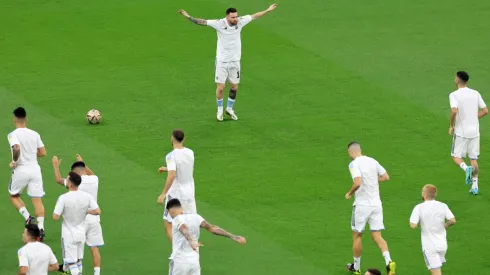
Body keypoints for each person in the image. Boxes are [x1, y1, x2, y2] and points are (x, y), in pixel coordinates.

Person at [178, 4, 278, 121]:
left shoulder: (240, 22)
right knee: (221, 87)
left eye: (236, 16)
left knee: (234, 87)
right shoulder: (219, 23)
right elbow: (202, 22)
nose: (235, 19)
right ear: (227, 17)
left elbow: (254, 16)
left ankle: (229, 109)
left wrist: (267, 10)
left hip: (235, 62)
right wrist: (188, 16)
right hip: (222, 62)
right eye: (233, 17)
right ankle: (220, 109)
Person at [345, 142, 396, 275]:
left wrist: (349, 193)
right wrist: (372, 180)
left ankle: (356, 267)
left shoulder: (354, 163)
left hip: (362, 205)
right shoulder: (372, 161)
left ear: (351, 152)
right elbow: (386, 177)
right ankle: (388, 261)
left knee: (357, 236)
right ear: (360, 149)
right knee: (377, 236)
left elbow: (357, 182)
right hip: (376, 205)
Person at [52, 155, 104, 275]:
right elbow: (90, 173)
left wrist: (55, 166)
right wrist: (82, 162)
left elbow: (58, 179)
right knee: (94, 248)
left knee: (72, 247)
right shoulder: (94, 179)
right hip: (94, 220)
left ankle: (68, 268)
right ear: (84, 169)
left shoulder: (75, 183)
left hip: (79, 220)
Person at [166, 198, 246, 275]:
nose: (171, 216)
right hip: (194, 261)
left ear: (172, 211)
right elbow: (213, 229)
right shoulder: (196, 217)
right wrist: (233, 236)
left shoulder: (176, 219)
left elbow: (183, 228)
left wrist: (192, 242)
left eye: (169, 214)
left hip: (180, 261)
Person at [7, 107, 47, 240]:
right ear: (26, 120)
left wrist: (14, 160)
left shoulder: (13, 134)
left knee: (14, 196)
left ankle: (28, 217)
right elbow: (43, 153)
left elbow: (16, 148)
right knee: (37, 200)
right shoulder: (35, 134)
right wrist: (30, 153)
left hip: (21, 169)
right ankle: (41, 229)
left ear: (14, 120)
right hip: (35, 170)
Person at [449, 71, 488, 195]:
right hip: (475, 131)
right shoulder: (475, 93)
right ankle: (475, 187)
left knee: (456, 156)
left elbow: (454, 111)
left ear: (458, 80)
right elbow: (485, 111)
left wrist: (451, 125)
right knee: (473, 158)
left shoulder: (454, 95)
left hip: (461, 131)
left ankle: (466, 169)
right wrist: (473, 117)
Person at [157, 130, 197, 242]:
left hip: (176, 194)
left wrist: (163, 193)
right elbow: (184, 167)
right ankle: (192, 248)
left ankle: (177, 252)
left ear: (172, 139)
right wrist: (167, 168)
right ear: (183, 139)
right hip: (190, 192)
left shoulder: (171, 156)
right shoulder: (190, 152)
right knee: (190, 222)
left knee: (168, 223)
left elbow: (172, 174)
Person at [409, 184, 456, 275]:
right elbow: (452, 220)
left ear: (424, 195)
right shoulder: (443, 205)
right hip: (442, 245)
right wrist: (445, 225)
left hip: (430, 247)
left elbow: (413, 225)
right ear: (435, 194)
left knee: (436, 273)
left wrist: (420, 221)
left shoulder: (419, 207)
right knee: (436, 270)